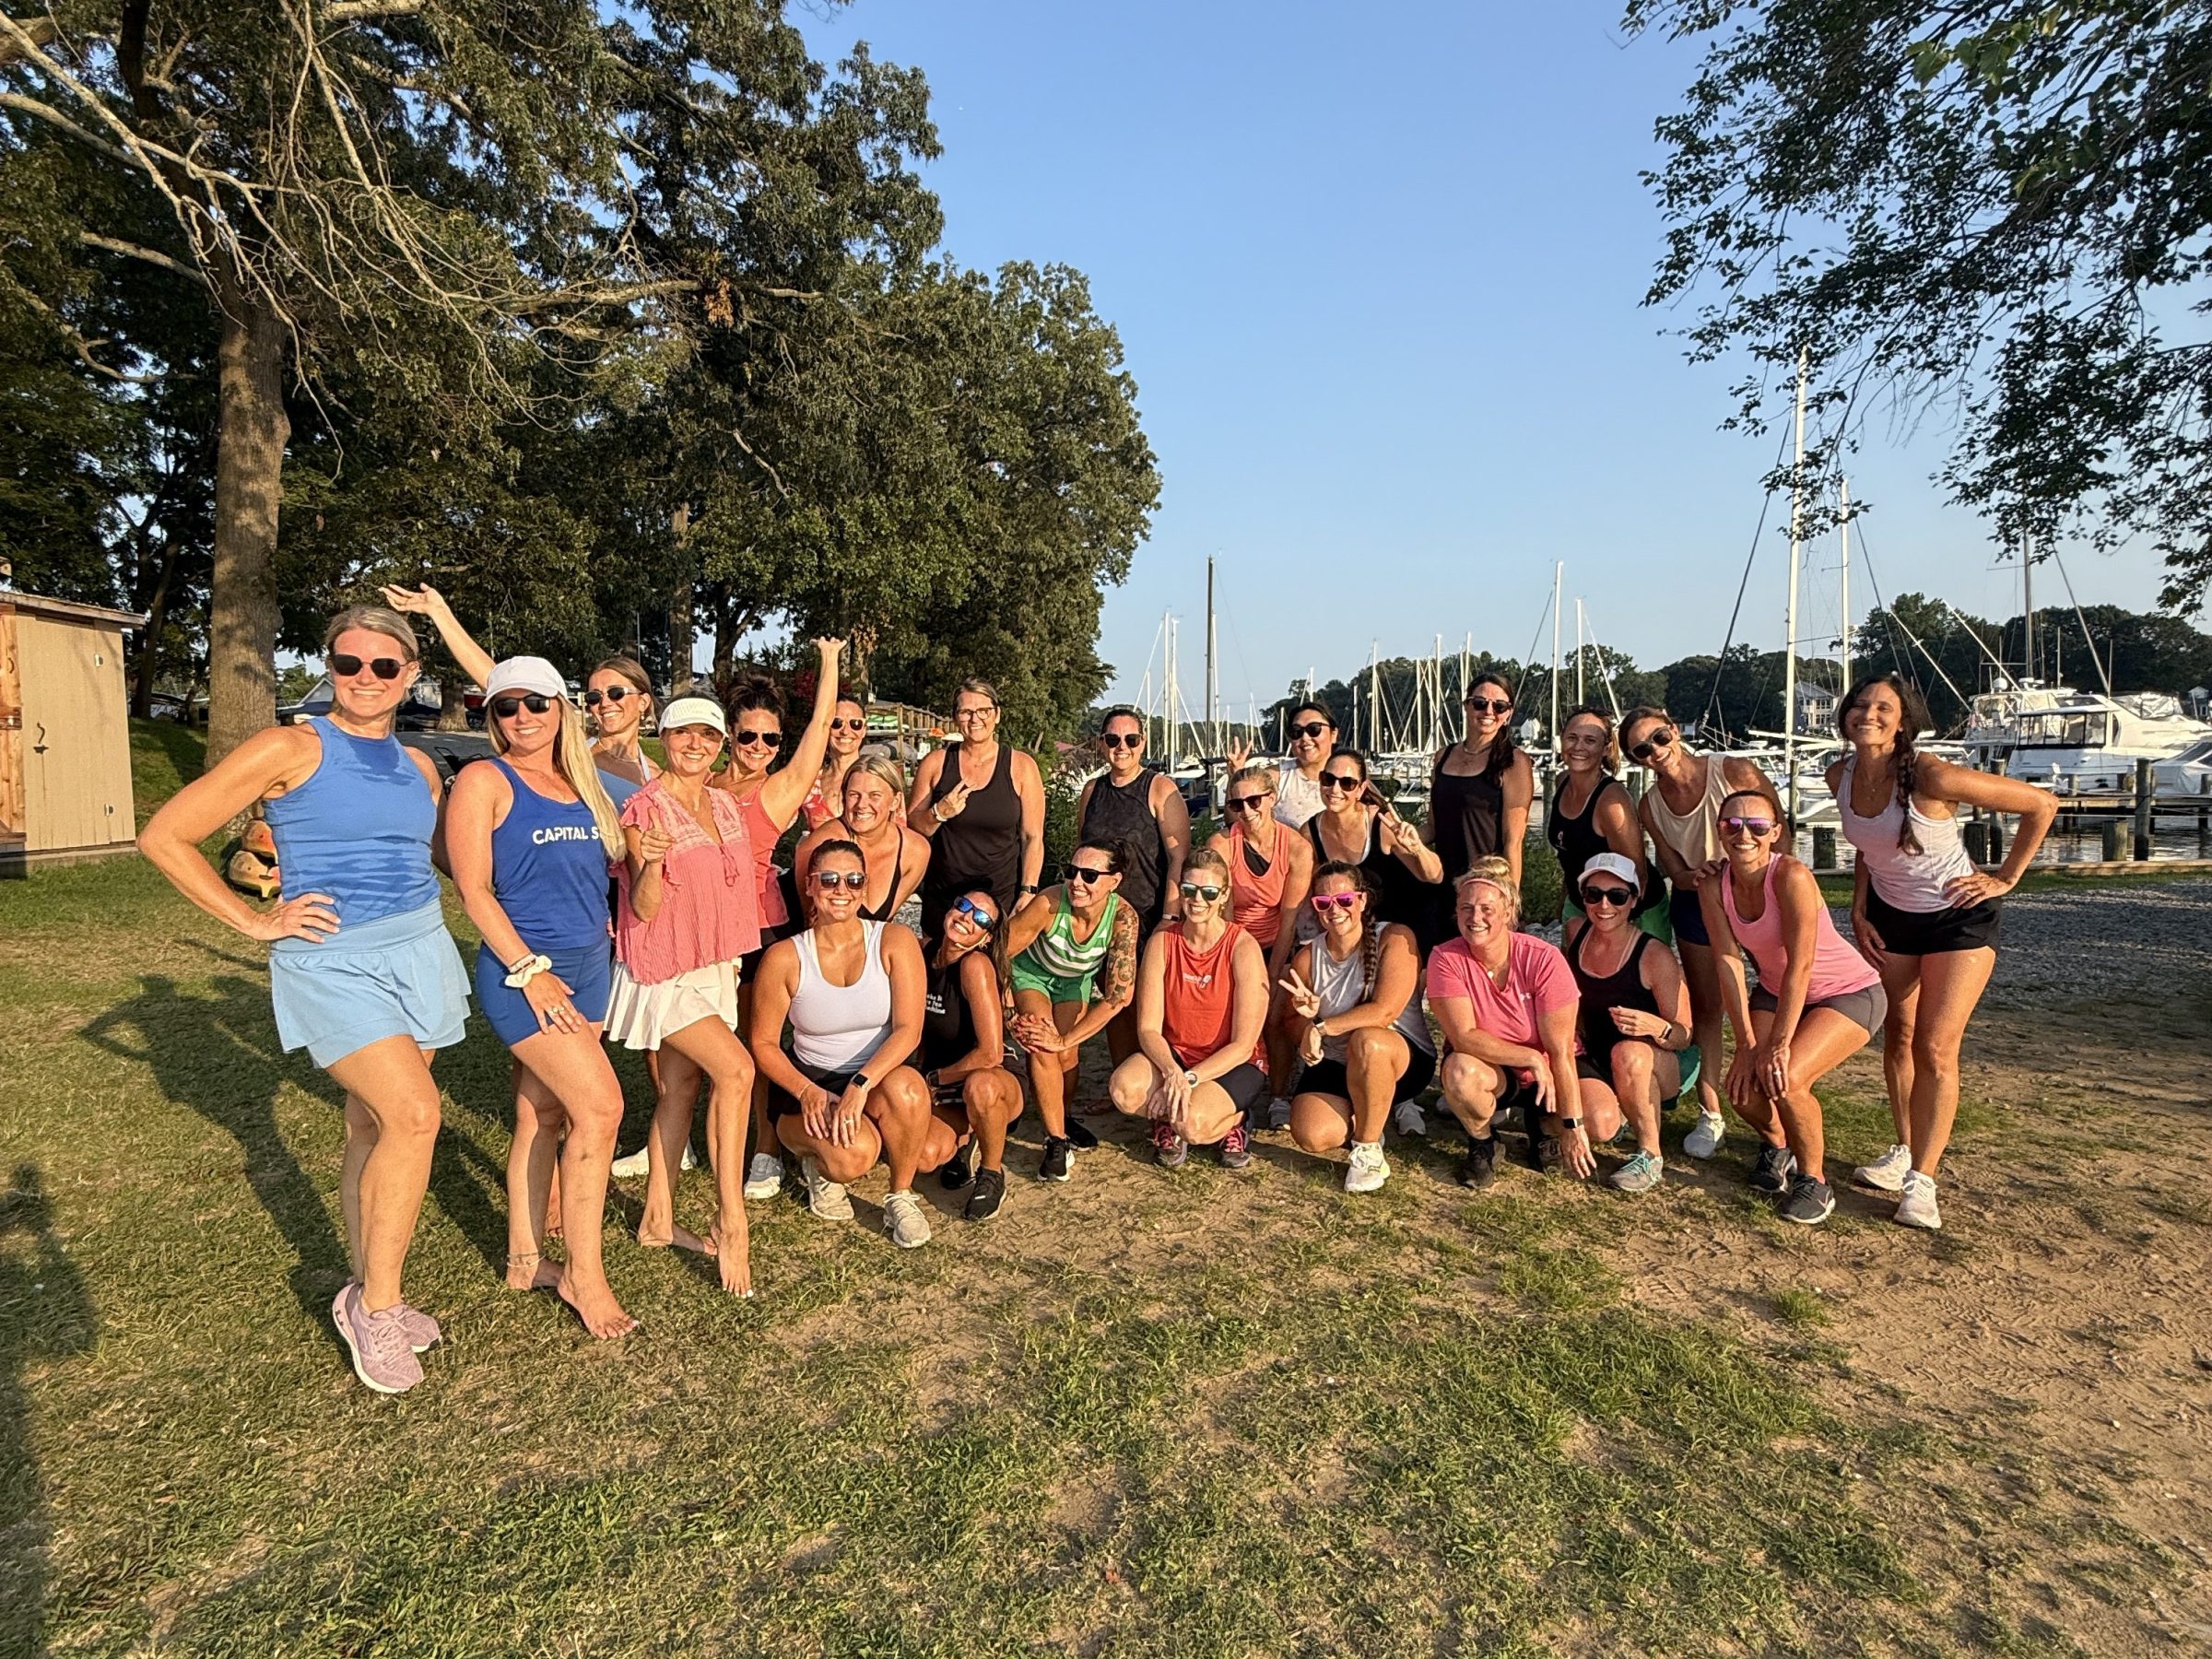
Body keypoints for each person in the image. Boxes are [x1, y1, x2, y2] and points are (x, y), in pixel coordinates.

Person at [137, 605, 467, 1394]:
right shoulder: (292, 744)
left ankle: (364, 1286)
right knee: (417, 1117)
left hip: (418, 947)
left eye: (383, 667)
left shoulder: (420, 766)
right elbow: (165, 835)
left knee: (371, 1121)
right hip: (332, 960)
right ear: (330, 667)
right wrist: (254, 921)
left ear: (410, 676)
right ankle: (379, 1309)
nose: (362, 679)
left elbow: (431, 859)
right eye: (346, 663)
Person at [440, 656, 643, 1333]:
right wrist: (531, 971)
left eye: (536, 703)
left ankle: (525, 1258)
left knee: (541, 1114)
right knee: (603, 1107)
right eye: (506, 706)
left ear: (561, 708)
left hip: (589, 966)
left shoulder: (582, 781)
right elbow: (473, 890)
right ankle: (585, 1277)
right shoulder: (482, 779)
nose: (522, 717)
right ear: (491, 718)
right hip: (524, 975)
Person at [1830, 674, 2055, 1230]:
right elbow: (1868, 848)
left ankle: (1922, 1184)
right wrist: (1859, 909)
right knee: (1899, 1037)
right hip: (1890, 919)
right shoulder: (1841, 774)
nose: (1870, 714)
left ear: (1904, 720)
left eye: (1884, 707)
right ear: (1846, 715)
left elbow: (2042, 804)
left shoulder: (1932, 775)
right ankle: (1904, 1151)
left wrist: (2006, 877)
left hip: (1959, 919)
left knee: (1935, 1045)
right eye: (1860, 705)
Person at [602, 695, 759, 1289]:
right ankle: (732, 1219)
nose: (696, 744)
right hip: (664, 969)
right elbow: (642, 908)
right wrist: (648, 867)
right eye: (683, 732)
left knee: (681, 1087)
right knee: (737, 1073)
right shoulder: (644, 810)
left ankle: (658, 1219)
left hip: (713, 962)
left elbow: (733, 886)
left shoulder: (723, 802)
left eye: (709, 735)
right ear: (660, 735)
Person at [1700, 784, 1887, 1227]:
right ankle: (1777, 1144)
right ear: (1720, 831)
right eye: (1732, 824)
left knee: (1787, 1077)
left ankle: (1815, 1181)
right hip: (1773, 989)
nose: (1743, 834)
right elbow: (1727, 960)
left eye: (1757, 825)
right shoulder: (1713, 885)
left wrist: (1778, 1044)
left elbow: (1801, 964)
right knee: (1743, 1089)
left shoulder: (1791, 876)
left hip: (1846, 990)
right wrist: (1746, 1044)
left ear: (1775, 833)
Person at [746, 841, 947, 1247]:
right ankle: (818, 1163)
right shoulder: (785, 957)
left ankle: (901, 1195)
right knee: (852, 1158)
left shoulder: (894, 941)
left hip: (874, 1079)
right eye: (830, 879)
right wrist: (807, 1092)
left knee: (909, 1092)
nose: (842, 889)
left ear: (865, 886)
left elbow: (909, 1028)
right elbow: (763, 1043)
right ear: (810, 886)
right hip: (812, 1083)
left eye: (853, 880)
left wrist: (861, 1085)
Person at [706, 641, 846, 1205]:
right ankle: (705, 1135)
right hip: (705, 932)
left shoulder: (778, 789)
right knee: (706, 1039)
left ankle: (764, 1144)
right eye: (748, 737)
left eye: (771, 739)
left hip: (761, 928)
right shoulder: (700, 785)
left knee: (756, 1041)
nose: (760, 748)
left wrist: (829, 663)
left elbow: (817, 735)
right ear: (728, 737)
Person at [1620, 706, 1772, 1161]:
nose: (1656, 752)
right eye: (1642, 750)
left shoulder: (1733, 770)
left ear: (1673, 726)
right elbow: (1674, 872)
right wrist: (1701, 876)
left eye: (1660, 737)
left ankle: (1771, 1106)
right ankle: (1711, 1112)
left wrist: (1760, 879)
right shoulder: (1650, 805)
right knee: (1709, 1009)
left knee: (1773, 1001)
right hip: (1699, 902)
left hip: (1762, 894)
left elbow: (1777, 831)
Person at [1429, 859, 1609, 1188]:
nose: (1475, 917)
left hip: (1553, 1065)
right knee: (1459, 1074)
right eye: (1466, 908)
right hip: (1495, 1068)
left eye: (1487, 908)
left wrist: (1572, 1124)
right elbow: (1464, 1036)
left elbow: (1561, 1051)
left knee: (1602, 1123)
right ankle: (1483, 1140)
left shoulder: (1543, 957)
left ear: (1508, 911)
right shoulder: (1445, 957)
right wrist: (1528, 1058)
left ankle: (1543, 1125)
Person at [1277, 863, 1435, 1194]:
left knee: (1368, 1041)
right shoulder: (1308, 958)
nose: (1335, 910)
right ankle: (1371, 1112)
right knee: (1311, 1133)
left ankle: (1367, 1148)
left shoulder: (1395, 938)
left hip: (1398, 1056)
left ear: (1363, 900)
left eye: (1345, 900)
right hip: (1337, 1061)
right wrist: (1306, 1022)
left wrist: (1322, 1026)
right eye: (1323, 903)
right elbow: (1292, 1028)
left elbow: (1384, 1010)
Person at [1108, 848, 1271, 1169]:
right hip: (1178, 1054)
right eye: (1189, 890)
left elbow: (1242, 1044)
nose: (1198, 900)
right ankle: (1169, 1116)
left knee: (1193, 1124)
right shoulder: (1163, 943)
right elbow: (1148, 1029)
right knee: (1123, 1089)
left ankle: (1235, 1119)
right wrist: (1172, 1073)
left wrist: (1189, 1080)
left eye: (1209, 892)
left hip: (1232, 1060)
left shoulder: (1242, 947)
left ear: (1223, 896)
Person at [1002, 839, 1141, 1183]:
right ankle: (1056, 1141)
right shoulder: (1048, 903)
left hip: (1073, 980)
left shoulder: (1123, 918)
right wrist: (1008, 1012)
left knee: (1067, 1054)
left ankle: (1060, 1116)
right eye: (1072, 871)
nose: (1077, 882)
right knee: (1040, 1037)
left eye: (1090, 875)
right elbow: (999, 955)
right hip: (1030, 972)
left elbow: (1118, 996)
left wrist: (1066, 1040)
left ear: (1115, 880)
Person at [1563, 853, 1693, 1194]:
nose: (1604, 905)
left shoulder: (1655, 956)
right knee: (1598, 1127)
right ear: (1583, 898)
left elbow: (1683, 1035)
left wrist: (1655, 1027)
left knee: (1629, 1052)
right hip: (1595, 1054)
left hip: (1656, 1062)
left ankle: (1650, 1154)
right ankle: (1619, 1114)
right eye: (1593, 894)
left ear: (1633, 900)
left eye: (1617, 896)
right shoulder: (1575, 932)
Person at [1074, 707, 1191, 1062]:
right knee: (1112, 999)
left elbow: (1179, 858)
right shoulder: (1093, 790)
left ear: (1142, 744)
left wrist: (1169, 917)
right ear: (1101, 744)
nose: (1121, 747)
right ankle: (1122, 1078)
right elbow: (1081, 851)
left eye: (1130, 739)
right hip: (1101, 916)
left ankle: (1158, 1075)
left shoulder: (1158, 788)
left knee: (1150, 1001)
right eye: (1112, 739)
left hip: (1147, 913)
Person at [1205, 763, 1314, 1124]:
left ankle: (1279, 1093)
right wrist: (1242, 969)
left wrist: (1268, 975)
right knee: (1233, 1012)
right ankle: (1234, 1094)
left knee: (1276, 1013)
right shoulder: (1222, 843)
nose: (1248, 811)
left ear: (1271, 799)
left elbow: (1289, 919)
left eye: (1254, 801)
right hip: (1233, 940)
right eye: (1238, 805)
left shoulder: (1296, 847)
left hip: (1276, 942)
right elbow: (1226, 910)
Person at [908, 677, 1047, 935]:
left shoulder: (1021, 767)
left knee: (987, 971)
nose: (975, 719)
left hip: (998, 898)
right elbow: (914, 826)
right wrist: (939, 813)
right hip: (944, 895)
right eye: (966, 712)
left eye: (983, 711)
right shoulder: (936, 763)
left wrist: (1028, 891)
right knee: (938, 970)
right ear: (955, 717)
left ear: (997, 715)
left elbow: (1033, 837)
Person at [920, 889, 1027, 1223]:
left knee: (980, 1087)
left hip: (989, 1077)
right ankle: (968, 1138)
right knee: (925, 1157)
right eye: (962, 905)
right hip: (946, 1082)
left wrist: (933, 1080)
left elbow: (990, 1053)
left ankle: (991, 1174)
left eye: (980, 918)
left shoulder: (975, 965)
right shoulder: (922, 951)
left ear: (986, 937)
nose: (967, 917)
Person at [1300, 747, 1444, 947]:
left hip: (1407, 928)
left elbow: (1434, 876)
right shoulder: (1310, 833)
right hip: (1357, 937)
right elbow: (1312, 891)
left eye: (1347, 783)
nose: (1335, 789)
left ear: (1360, 789)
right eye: (1328, 779)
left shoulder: (1381, 824)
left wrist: (1417, 848)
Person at [1547, 707, 1666, 945]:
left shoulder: (1612, 803)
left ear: (1605, 748)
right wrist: (1564, 898)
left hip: (1631, 907)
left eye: (1590, 740)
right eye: (1572, 738)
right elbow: (1569, 851)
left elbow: (1638, 874)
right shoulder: (1562, 782)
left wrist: (1621, 930)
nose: (1579, 747)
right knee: (1572, 977)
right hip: (1582, 899)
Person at [1424, 673, 1536, 891]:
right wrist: (1396, 835)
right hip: (1441, 881)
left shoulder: (1514, 762)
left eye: (1499, 706)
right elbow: (1432, 827)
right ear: (1466, 706)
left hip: (1485, 886)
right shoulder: (1443, 757)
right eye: (1480, 703)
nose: (1488, 712)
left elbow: (1512, 841)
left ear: (1509, 714)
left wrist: (1510, 901)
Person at [793, 754, 930, 924]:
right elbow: (809, 921)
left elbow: (883, 923)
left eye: (874, 795)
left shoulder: (915, 850)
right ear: (843, 798)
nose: (862, 805)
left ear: (896, 801)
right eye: (854, 795)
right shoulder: (818, 847)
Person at [803, 696, 877, 830]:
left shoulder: (881, 780)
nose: (845, 731)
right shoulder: (809, 782)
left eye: (855, 724)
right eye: (837, 723)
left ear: (864, 730)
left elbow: (899, 833)